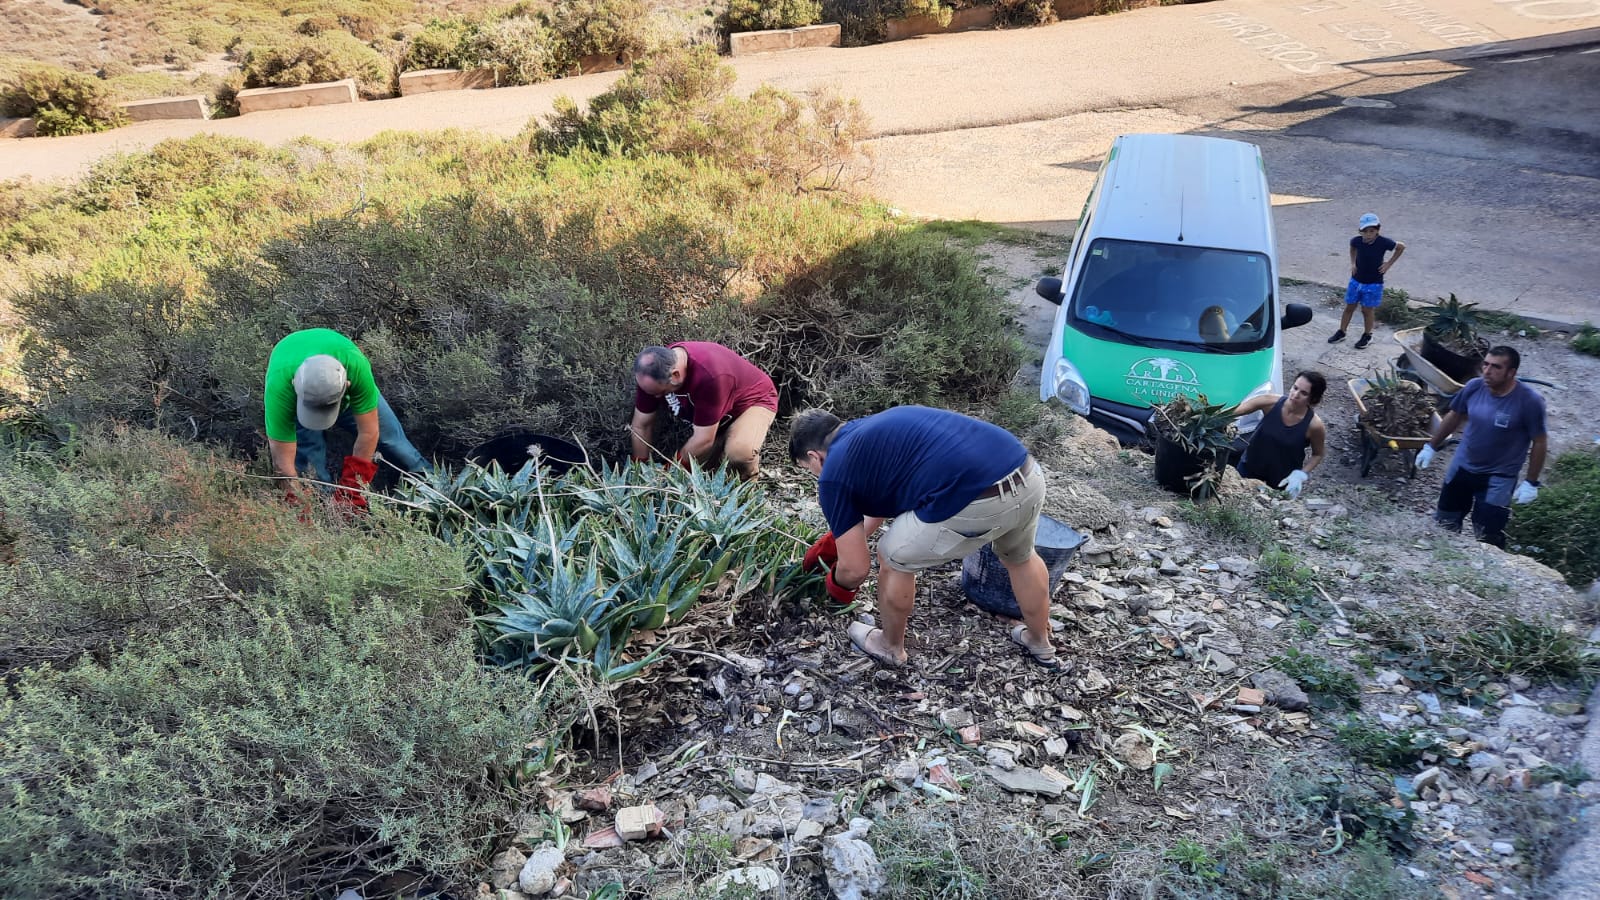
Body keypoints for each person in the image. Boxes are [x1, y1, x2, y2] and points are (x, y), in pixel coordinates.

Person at [790, 406, 1058, 669]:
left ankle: (889, 646)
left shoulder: (832, 473)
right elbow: (876, 509)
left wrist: (831, 586)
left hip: (978, 499)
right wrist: (834, 543)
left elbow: (855, 569)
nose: (815, 475)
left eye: (807, 468)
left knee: (892, 555)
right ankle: (1039, 642)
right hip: (1026, 474)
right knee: (1020, 558)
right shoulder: (873, 429)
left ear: (815, 457)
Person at [264, 328, 429, 511]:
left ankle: (431, 490)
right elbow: (284, 464)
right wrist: (297, 502)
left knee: (393, 441)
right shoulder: (280, 388)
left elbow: (369, 432)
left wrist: (352, 490)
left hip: (344, 392)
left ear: (347, 385)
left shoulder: (355, 366)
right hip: (297, 394)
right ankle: (323, 511)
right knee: (310, 465)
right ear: (295, 385)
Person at [1417, 345, 1546, 548]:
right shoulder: (1474, 386)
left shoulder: (1529, 401)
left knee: (1489, 536)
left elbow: (1539, 441)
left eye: (1496, 367)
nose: (1487, 371)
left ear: (1511, 372)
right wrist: (1431, 446)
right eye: (1485, 364)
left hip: (1498, 478)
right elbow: (1455, 414)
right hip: (1462, 467)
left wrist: (1531, 482)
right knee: (1444, 524)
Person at [630, 342, 778, 481]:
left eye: (661, 393)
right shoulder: (652, 375)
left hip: (752, 403)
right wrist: (640, 468)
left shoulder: (709, 376)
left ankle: (746, 490)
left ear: (675, 375)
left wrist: (670, 472)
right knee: (698, 473)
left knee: (738, 454)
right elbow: (641, 426)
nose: (655, 397)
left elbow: (704, 439)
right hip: (715, 421)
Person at [1231, 371, 1328, 499]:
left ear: (1313, 399)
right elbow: (1235, 412)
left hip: (1282, 479)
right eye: (1295, 388)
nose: (1295, 394)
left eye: (1304, 393)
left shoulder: (1314, 426)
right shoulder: (1269, 403)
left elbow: (1318, 454)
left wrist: (1300, 475)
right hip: (1249, 467)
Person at [1329, 213, 1406, 350]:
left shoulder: (1384, 242)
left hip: (1374, 283)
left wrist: (1389, 263)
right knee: (1349, 307)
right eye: (1365, 231)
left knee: (1367, 310)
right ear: (1360, 231)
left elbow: (1401, 247)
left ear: (1377, 230)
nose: (1369, 234)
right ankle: (1342, 331)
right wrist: (1353, 263)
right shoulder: (1356, 241)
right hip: (1356, 281)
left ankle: (1367, 335)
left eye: (1372, 231)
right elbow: (1352, 248)